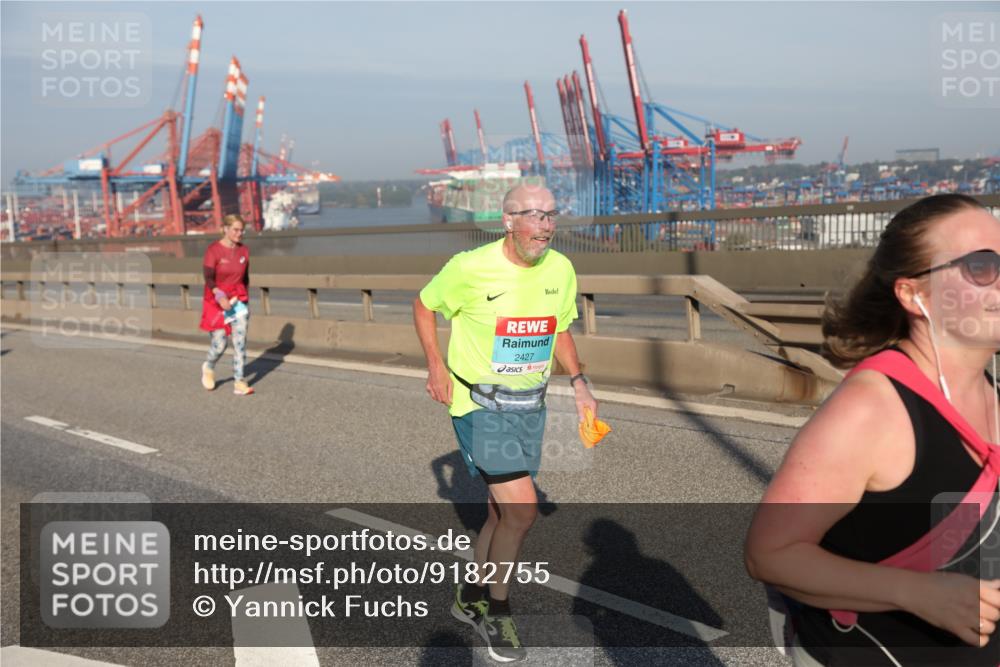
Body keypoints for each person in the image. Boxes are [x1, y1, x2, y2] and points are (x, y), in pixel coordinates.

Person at [745, 194, 1000, 666]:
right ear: (914, 295)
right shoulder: (871, 410)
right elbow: (770, 554)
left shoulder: (989, 387)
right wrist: (920, 593)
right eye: (982, 266)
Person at [414, 184, 597, 662]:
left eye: (552, 215)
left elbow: (558, 328)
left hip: (529, 407)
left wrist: (579, 384)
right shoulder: (469, 267)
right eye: (535, 215)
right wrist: (435, 365)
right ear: (507, 220)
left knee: (498, 513)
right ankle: (497, 612)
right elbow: (424, 304)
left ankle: (471, 591)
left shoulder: (560, 268)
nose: (547, 225)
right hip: (480, 407)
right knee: (522, 512)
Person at [199, 214, 253, 396]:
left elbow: (245, 278)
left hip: (238, 301)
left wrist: (245, 300)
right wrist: (219, 295)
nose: (240, 233)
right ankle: (209, 366)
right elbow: (208, 278)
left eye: (242, 230)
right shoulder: (213, 250)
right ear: (225, 229)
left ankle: (239, 381)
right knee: (220, 344)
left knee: (240, 343)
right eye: (236, 230)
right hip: (216, 300)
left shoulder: (244, 251)